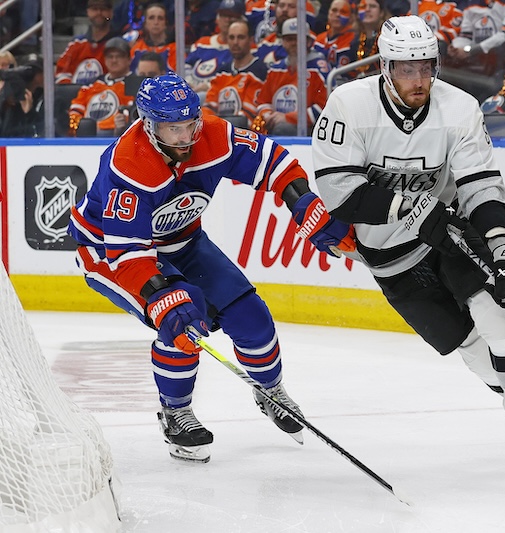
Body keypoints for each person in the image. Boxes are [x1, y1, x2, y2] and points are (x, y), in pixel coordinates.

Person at [311, 15, 505, 463]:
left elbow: (480, 182)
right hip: (388, 256)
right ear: (385, 68)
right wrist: (408, 208)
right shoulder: (349, 106)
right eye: (406, 69)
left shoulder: (460, 107)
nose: (418, 79)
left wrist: (502, 242)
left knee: (498, 311)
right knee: (467, 341)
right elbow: (339, 195)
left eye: (426, 67)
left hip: (448, 234)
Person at [67, 73, 355, 463]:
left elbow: (273, 160)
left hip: (183, 241)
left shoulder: (213, 135)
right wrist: (160, 296)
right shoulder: (129, 165)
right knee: (183, 316)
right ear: (150, 126)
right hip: (108, 252)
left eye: (191, 124)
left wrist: (302, 201)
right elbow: (128, 253)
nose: (186, 137)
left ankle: (270, 390)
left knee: (252, 318)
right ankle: (176, 411)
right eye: (173, 128)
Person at [253, 18, 329, 134]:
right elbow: (263, 101)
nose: (294, 43)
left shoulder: (319, 69)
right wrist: (268, 115)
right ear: (282, 42)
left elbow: (324, 109)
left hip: (311, 130)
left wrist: (288, 118)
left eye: (298, 39)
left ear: (308, 41)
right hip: (277, 124)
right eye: (289, 39)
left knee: (282, 129)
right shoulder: (276, 69)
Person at [68, 37, 136, 137]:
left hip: (116, 136)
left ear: (129, 60)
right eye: (110, 56)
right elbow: (75, 110)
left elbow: (131, 115)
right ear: (104, 59)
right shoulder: (92, 85)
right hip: (86, 136)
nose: (114, 60)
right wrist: (79, 127)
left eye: (119, 56)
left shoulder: (134, 83)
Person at [203, 19, 268, 123]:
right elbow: (210, 104)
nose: (235, 42)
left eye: (240, 37)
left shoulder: (259, 71)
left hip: (244, 130)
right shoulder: (222, 71)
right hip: (221, 126)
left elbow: (248, 114)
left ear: (251, 40)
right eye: (231, 37)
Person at [184, 0, 243, 93]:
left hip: (217, 94)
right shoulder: (202, 43)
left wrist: (209, 86)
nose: (227, 20)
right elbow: (186, 65)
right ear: (217, 19)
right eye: (223, 15)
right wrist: (188, 82)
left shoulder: (240, 48)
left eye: (232, 16)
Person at [55, 0, 117, 85]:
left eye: (103, 9)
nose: (99, 13)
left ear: (111, 13)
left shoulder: (118, 44)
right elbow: (61, 73)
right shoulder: (76, 43)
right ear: (88, 12)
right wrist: (74, 91)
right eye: (94, 9)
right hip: (77, 96)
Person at [0, 55, 45, 137]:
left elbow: (43, 131)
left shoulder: (47, 98)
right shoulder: (11, 93)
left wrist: (29, 112)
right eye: (27, 71)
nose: (31, 75)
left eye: (35, 71)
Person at [129, 2, 178, 73]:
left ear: (166, 23)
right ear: (145, 23)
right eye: (151, 18)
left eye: (160, 18)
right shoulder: (136, 49)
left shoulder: (175, 50)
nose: (156, 22)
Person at [313, 0, 357, 72]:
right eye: (334, 10)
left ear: (351, 17)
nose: (338, 15)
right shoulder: (319, 39)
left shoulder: (354, 40)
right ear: (328, 13)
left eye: (343, 12)